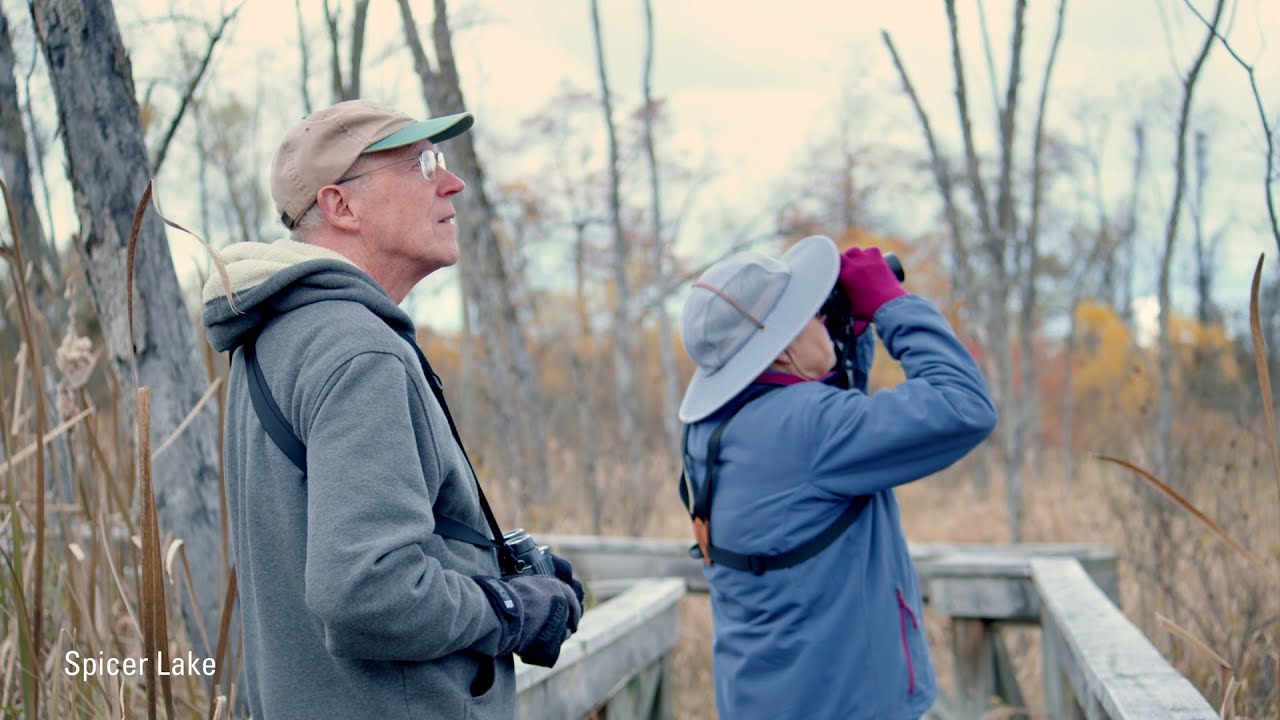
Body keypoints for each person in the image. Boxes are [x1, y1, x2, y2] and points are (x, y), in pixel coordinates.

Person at [201, 99, 583, 720]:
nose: (452, 181)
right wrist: (512, 613)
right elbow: (366, 591)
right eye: (422, 163)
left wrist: (501, 574)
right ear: (340, 206)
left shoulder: (279, 336)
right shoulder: (360, 351)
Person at [676, 235, 997, 719]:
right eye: (811, 316)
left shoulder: (714, 428)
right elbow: (964, 406)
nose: (822, 319)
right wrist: (892, 305)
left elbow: (825, 446)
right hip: (844, 703)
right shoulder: (811, 430)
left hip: (767, 697)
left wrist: (846, 336)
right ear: (781, 349)